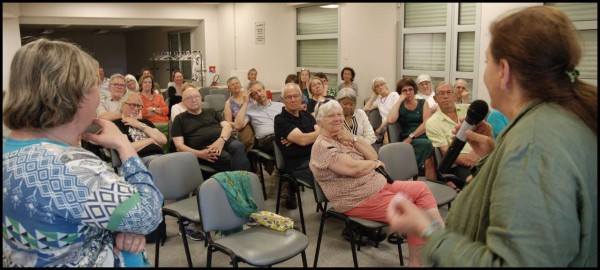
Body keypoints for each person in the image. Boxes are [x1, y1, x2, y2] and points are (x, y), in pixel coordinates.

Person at [387, 6, 597, 267]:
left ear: (504, 71)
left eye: (487, 62)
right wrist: (492, 154)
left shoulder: (533, 143)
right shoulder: (564, 118)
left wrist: (430, 231)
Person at [2, 38, 164, 267]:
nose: (99, 95)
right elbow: (148, 215)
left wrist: (118, 227)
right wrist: (123, 145)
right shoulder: (70, 167)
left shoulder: (11, 146)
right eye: (95, 87)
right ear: (75, 96)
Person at [309, 99, 444, 267]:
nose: (337, 119)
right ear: (319, 120)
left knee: (421, 188)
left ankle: (440, 234)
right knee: (413, 213)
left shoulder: (343, 137)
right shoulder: (323, 147)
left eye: (339, 114)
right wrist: (374, 165)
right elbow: (355, 169)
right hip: (357, 199)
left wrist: (353, 138)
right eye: (331, 116)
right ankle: (419, 261)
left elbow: (372, 154)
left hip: (379, 186)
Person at [171, 87, 251, 173]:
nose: (194, 100)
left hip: (223, 140)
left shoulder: (211, 111)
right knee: (229, 159)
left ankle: (239, 182)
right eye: (189, 98)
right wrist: (200, 154)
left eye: (196, 97)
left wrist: (221, 141)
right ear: (183, 101)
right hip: (205, 150)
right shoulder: (179, 119)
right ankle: (242, 182)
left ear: (201, 98)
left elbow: (227, 126)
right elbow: (179, 146)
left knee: (239, 146)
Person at [274, 83, 319, 210]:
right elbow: (304, 141)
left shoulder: (308, 116)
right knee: (335, 178)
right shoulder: (280, 120)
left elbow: (322, 136)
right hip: (297, 167)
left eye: (295, 96)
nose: (293, 100)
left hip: (316, 160)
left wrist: (301, 137)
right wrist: (304, 138)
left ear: (301, 97)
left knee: (344, 173)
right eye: (288, 97)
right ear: (283, 100)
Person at [425, 82, 477, 189]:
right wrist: (468, 160)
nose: (446, 96)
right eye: (441, 94)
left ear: (454, 95)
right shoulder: (432, 123)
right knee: (478, 181)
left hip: (477, 156)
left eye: (449, 92)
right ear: (435, 99)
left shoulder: (468, 110)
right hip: (456, 165)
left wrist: (477, 155)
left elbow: (481, 135)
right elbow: (447, 153)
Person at [387, 77, 436, 180]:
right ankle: (414, 174)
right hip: (406, 138)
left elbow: (426, 123)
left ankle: (408, 172)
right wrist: (400, 100)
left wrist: (411, 137)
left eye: (410, 89)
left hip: (419, 135)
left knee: (429, 157)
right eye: (404, 90)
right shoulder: (399, 105)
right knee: (428, 149)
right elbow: (390, 120)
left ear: (414, 90)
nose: (408, 92)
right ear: (400, 93)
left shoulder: (423, 103)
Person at [113, 93, 167, 167]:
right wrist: (150, 140)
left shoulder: (145, 122)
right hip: (139, 160)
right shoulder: (116, 124)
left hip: (159, 156)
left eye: (138, 106)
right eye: (132, 105)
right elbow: (125, 148)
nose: (136, 109)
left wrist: (140, 125)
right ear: (122, 106)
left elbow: (163, 140)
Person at [234, 80, 284, 157]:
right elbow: (238, 125)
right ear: (252, 97)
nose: (259, 94)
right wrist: (245, 103)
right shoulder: (250, 109)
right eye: (255, 94)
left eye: (260, 90)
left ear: (265, 90)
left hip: (285, 136)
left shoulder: (280, 106)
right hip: (267, 140)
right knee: (283, 146)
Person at [363, 77, 401, 144]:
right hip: (384, 127)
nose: (380, 87)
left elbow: (392, 115)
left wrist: (380, 128)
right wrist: (374, 95)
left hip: (393, 123)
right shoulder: (378, 100)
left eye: (381, 84)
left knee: (386, 138)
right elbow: (366, 108)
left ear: (386, 85)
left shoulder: (394, 95)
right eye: (377, 86)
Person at [224, 76, 255, 152]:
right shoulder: (229, 103)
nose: (235, 85)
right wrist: (241, 123)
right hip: (240, 127)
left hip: (255, 123)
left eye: (237, 83)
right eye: (232, 84)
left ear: (240, 84)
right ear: (229, 89)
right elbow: (228, 123)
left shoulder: (249, 96)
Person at [139, 73, 169, 145]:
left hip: (164, 123)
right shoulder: (138, 97)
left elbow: (166, 110)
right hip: (149, 124)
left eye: (150, 82)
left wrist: (153, 109)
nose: (148, 84)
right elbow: (141, 113)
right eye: (145, 82)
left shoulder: (158, 96)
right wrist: (158, 110)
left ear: (152, 85)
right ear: (141, 84)